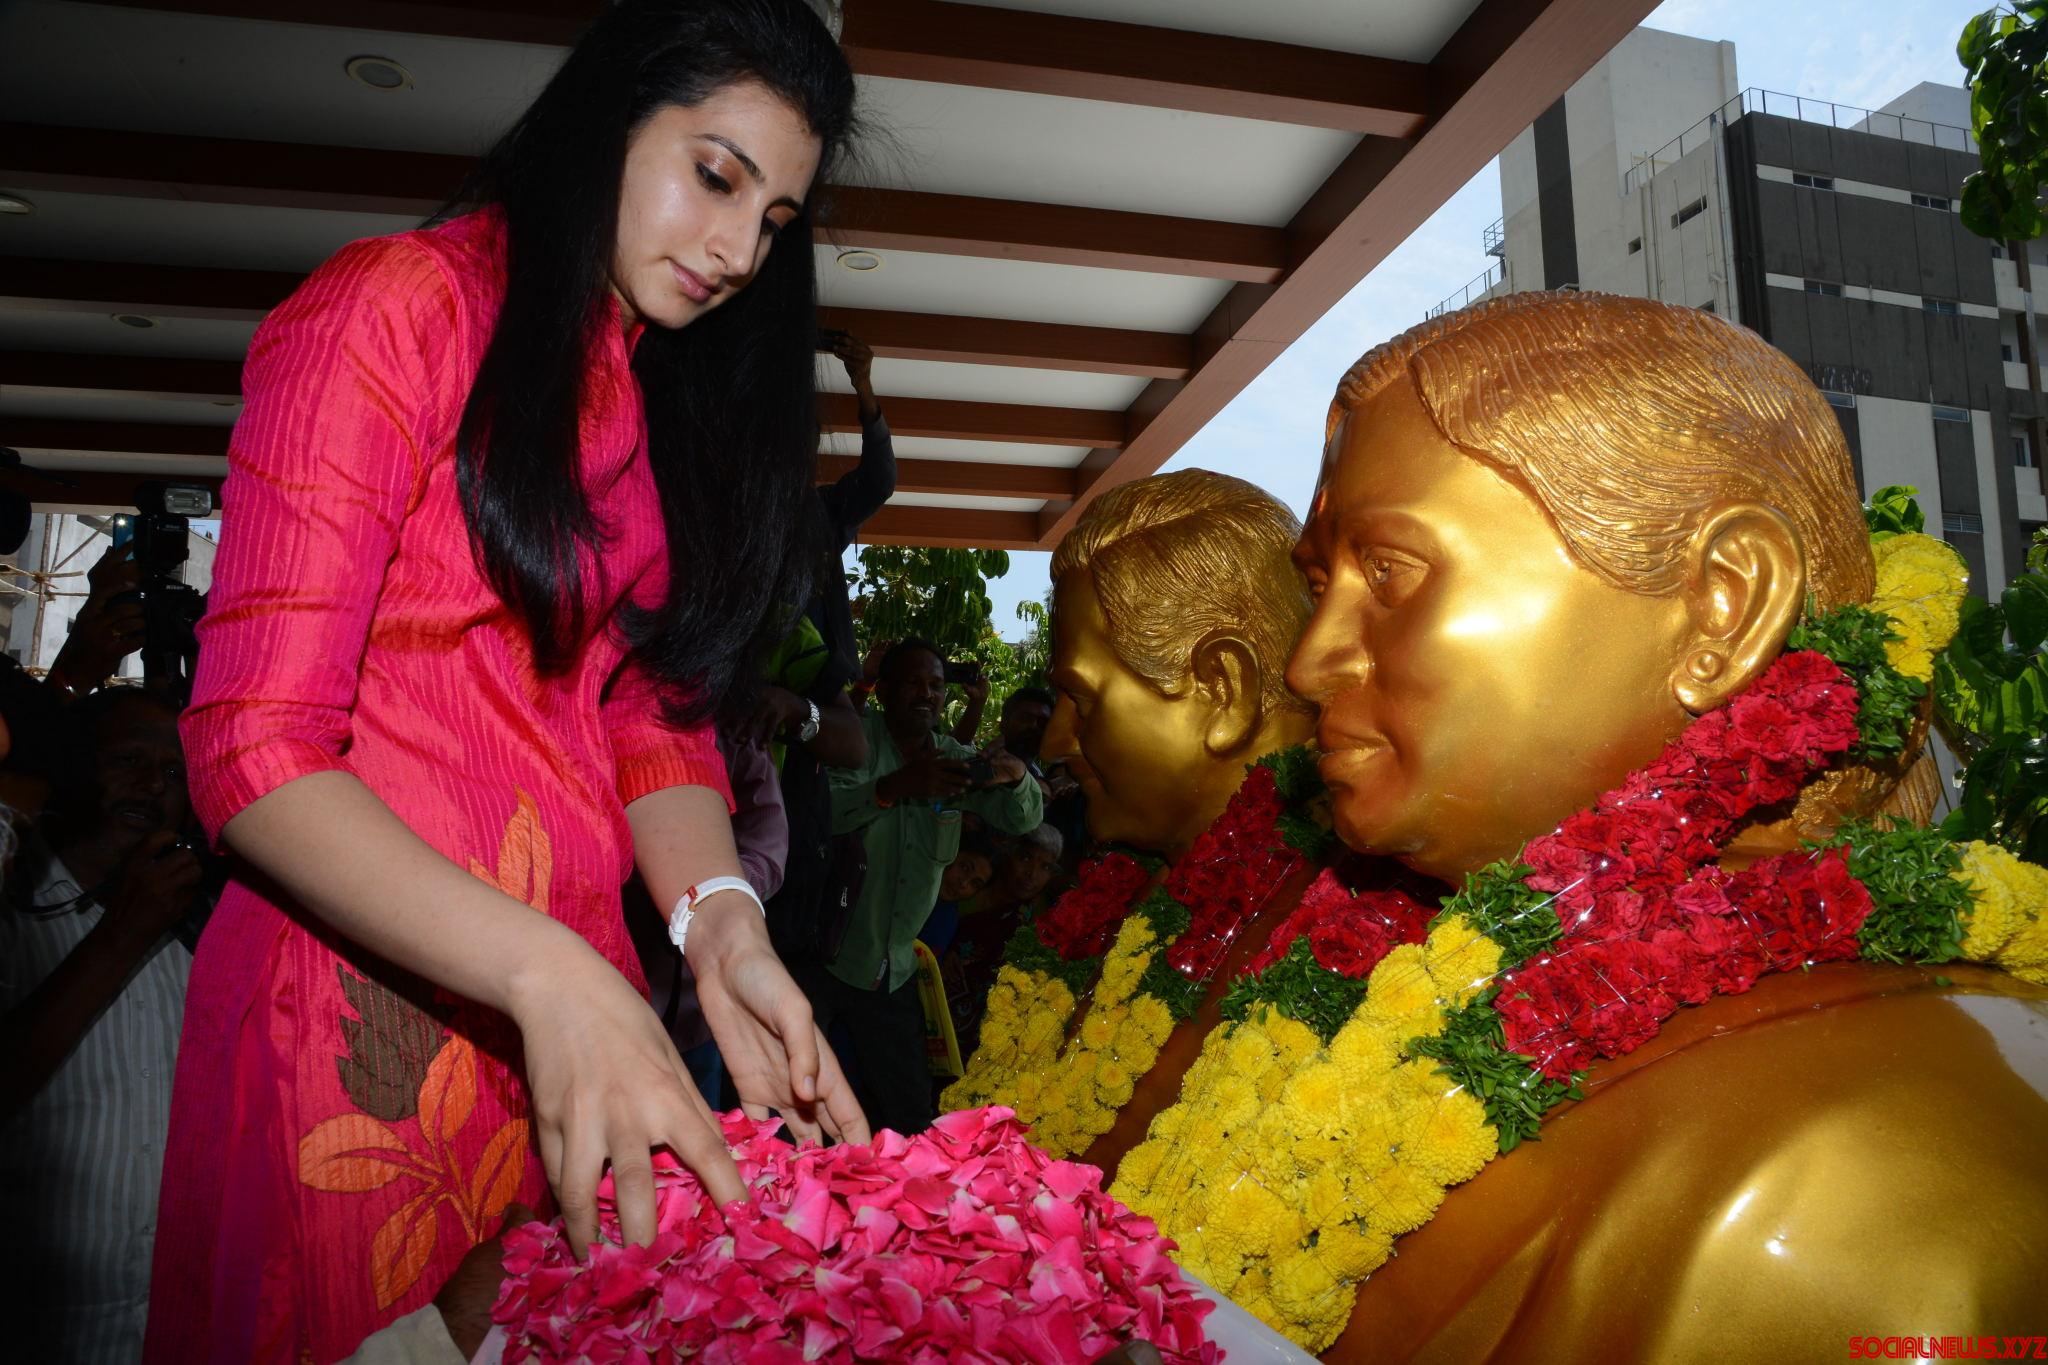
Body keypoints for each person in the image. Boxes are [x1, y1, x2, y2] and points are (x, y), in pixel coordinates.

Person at [145, 5, 868, 1360]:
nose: (736, 251)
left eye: (773, 221)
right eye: (715, 176)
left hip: (569, 1025)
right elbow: (252, 746)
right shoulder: (396, 307)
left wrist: (723, 930)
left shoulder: (642, 393)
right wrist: (552, 976)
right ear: (608, 119)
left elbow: (645, 717)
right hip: (356, 1024)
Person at [1, 688, 199, 1363]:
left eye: (175, 772)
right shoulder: (13, 909)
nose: (153, 785)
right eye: (128, 761)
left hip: (171, 1324)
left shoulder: (200, 923)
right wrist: (122, 934)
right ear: (75, 770)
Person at [817, 638, 1041, 1135]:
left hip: (892, 969)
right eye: (913, 682)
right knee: (796, 1101)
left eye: (936, 686)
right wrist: (892, 787)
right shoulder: (852, 739)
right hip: (824, 957)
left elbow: (1023, 819)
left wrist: (1015, 777)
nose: (926, 694)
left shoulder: (951, 757)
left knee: (910, 1118)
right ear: (885, 689)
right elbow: (820, 816)